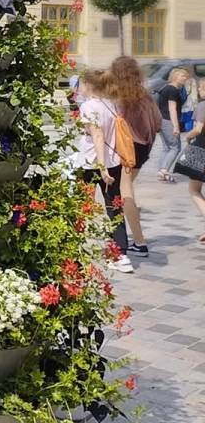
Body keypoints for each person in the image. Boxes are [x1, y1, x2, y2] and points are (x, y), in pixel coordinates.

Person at [70, 69, 134, 274]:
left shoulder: (89, 106)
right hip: (112, 161)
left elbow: (97, 136)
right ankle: (121, 254)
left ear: (87, 85)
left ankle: (72, 249)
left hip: (92, 163)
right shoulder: (110, 104)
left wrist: (102, 166)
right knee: (114, 207)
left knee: (81, 206)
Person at [110, 56, 161, 257]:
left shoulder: (121, 98)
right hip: (144, 148)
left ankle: (139, 242)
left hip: (127, 149)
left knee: (125, 193)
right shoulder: (145, 95)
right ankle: (129, 237)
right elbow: (157, 122)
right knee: (125, 190)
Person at [157, 67, 190, 182]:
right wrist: (176, 126)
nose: (185, 78)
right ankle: (164, 170)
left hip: (162, 120)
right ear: (175, 76)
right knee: (175, 147)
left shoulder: (166, 88)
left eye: (186, 76)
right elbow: (172, 109)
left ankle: (161, 170)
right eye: (183, 76)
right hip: (168, 121)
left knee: (167, 148)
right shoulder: (172, 90)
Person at [182, 77, 205, 242]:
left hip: (201, 151)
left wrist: (188, 137)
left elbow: (198, 129)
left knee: (194, 189)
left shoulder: (203, 105)